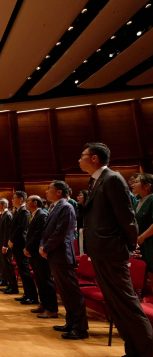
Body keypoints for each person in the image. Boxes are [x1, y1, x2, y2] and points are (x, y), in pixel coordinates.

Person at [80, 142, 153, 355]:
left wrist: (130, 246)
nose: (79, 160)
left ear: (94, 158)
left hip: (112, 251)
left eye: (82, 155)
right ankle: (133, 350)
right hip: (101, 251)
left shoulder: (112, 178)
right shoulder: (96, 180)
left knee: (126, 305)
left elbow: (127, 217)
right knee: (116, 305)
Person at [40, 180, 88, 340]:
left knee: (71, 292)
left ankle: (80, 328)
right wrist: (42, 246)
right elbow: (46, 231)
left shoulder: (66, 207)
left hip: (61, 254)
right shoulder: (55, 207)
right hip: (55, 253)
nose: (46, 192)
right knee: (65, 292)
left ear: (59, 192)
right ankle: (70, 322)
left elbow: (61, 232)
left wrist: (45, 248)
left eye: (49, 189)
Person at [24, 195, 58, 318]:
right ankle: (43, 304)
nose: (25, 203)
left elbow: (39, 235)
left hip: (39, 253)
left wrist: (28, 248)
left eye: (27, 201)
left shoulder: (42, 215)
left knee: (46, 280)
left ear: (34, 203)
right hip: (33, 253)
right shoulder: (33, 215)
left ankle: (52, 308)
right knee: (39, 280)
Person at [9, 191, 37, 304]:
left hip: (20, 244)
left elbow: (21, 228)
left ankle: (32, 296)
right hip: (17, 245)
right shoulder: (19, 211)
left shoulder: (24, 211)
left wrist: (11, 240)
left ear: (20, 199)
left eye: (14, 198)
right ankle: (26, 294)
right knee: (22, 271)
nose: (12, 200)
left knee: (25, 271)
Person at [134, 174, 153, 285]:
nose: (133, 184)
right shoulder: (137, 202)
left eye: (137, 182)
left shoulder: (151, 200)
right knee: (142, 275)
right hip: (139, 243)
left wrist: (142, 237)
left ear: (147, 186)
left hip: (149, 242)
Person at [0, 198, 18, 294]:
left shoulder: (7, 215)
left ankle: (13, 287)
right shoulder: (4, 215)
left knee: (8, 266)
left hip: (5, 246)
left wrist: (5, 245)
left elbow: (7, 232)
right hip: (2, 245)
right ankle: (10, 285)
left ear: (3, 205)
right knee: (5, 266)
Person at [76, 190, 88, 255]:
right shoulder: (80, 209)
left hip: (88, 234)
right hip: (80, 233)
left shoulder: (90, 209)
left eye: (80, 195)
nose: (78, 197)